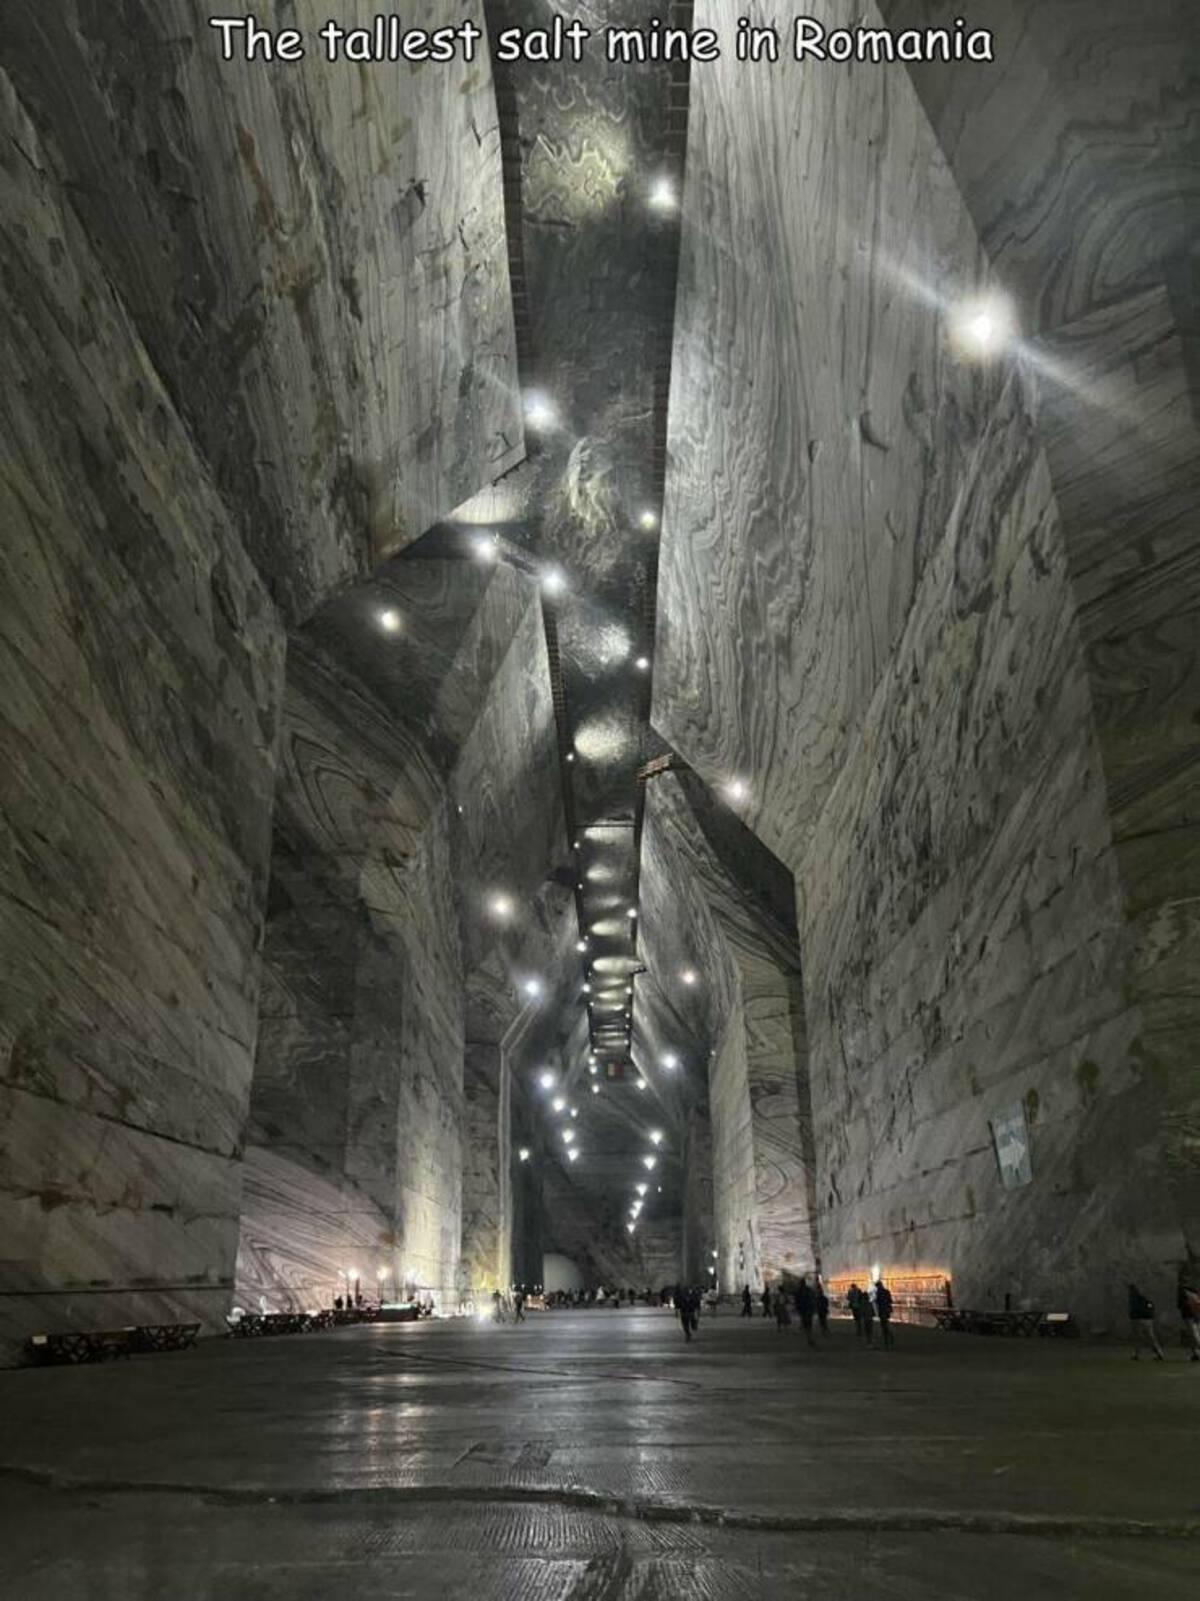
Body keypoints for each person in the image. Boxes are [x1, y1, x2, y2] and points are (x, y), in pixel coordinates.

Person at [1128, 1283, 1164, 1361]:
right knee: (1150, 1338)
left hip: (1138, 1320)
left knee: (1138, 1338)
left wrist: (1134, 1315)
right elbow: (1151, 1307)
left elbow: (1135, 1309)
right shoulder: (1144, 1299)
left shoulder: (1134, 1299)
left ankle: (1136, 1354)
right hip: (1146, 1320)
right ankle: (1159, 1353)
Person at [1178, 1273, 1200, 1362]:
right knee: (1193, 1335)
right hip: (1192, 1315)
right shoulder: (1193, 1292)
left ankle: (1196, 1353)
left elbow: (1183, 1304)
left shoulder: (1185, 1292)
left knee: (1194, 1335)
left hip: (1190, 1315)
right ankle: (1195, 1354)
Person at [794, 1276, 816, 1348]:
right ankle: (809, 1337)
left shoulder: (799, 1291)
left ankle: (808, 1337)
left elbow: (797, 1301)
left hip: (803, 1310)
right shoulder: (808, 1290)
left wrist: (797, 1308)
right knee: (808, 1324)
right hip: (808, 1309)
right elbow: (812, 1299)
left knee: (806, 1323)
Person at [875, 1278, 894, 1349]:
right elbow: (890, 1301)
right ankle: (889, 1339)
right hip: (886, 1310)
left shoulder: (879, 1293)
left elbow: (877, 1302)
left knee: (884, 1326)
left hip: (882, 1311)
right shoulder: (886, 1291)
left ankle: (887, 1340)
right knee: (886, 1324)